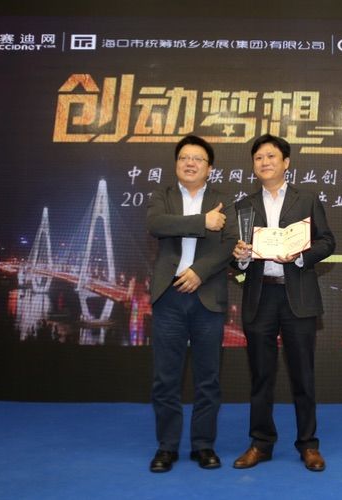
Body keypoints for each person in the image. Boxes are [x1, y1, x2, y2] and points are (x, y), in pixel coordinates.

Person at [232, 134, 335, 472]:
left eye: (271, 156)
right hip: (260, 296)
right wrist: (240, 256)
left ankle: (308, 445)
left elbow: (327, 241)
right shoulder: (244, 206)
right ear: (253, 165)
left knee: (303, 375)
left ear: (286, 162)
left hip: (297, 297)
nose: (265, 162)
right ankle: (260, 443)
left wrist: (301, 256)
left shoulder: (307, 199)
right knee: (261, 375)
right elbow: (234, 256)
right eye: (258, 157)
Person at [146, 135, 236, 473]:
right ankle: (167, 447)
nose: (190, 163)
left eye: (198, 158)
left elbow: (229, 244)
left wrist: (200, 271)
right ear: (176, 164)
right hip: (168, 296)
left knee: (207, 378)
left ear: (209, 168)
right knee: (166, 378)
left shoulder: (224, 201)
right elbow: (156, 224)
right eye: (184, 157)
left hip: (207, 296)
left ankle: (203, 445)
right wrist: (202, 222)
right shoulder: (163, 196)